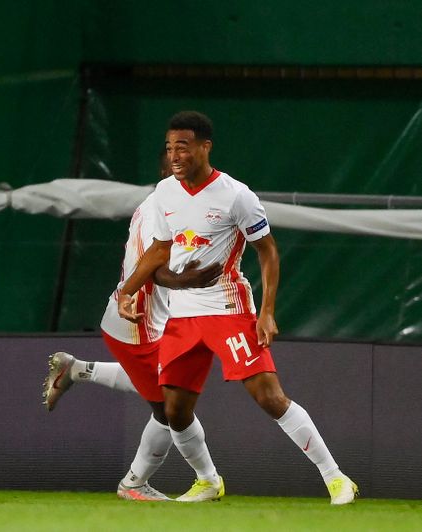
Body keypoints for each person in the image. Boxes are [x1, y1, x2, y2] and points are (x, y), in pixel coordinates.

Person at [117, 111, 357, 505]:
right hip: (181, 315)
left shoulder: (236, 195)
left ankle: (336, 478)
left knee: (269, 396)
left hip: (228, 309)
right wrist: (127, 292)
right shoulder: (164, 193)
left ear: (204, 147)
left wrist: (266, 311)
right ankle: (208, 481)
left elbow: (268, 252)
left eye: (183, 146)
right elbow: (160, 250)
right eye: (169, 147)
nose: (175, 155)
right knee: (173, 411)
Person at [43, 192, 223, 502]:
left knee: (160, 386)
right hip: (136, 325)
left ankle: (78, 370)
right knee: (170, 410)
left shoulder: (159, 204)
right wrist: (186, 280)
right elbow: (154, 268)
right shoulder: (160, 212)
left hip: (140, 319)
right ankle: (142, 483)